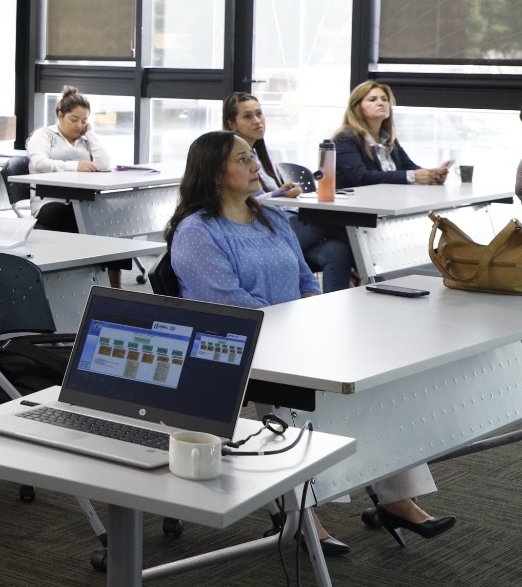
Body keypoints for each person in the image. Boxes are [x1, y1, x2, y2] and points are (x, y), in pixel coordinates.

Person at [168, 130, 454, 550]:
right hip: (233, 345)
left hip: (292, 335)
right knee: (297, 398)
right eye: (242, 160)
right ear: (213, 175)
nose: (255, 167)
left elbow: (306, 279)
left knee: (373, 384)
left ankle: (397, 500)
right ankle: (300, 516)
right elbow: (229, 305)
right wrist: (297, 326)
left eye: (253, 158)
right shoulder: (197, 231)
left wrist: (310, 317)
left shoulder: (268, 216)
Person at [223, 92, 355, 293]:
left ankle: (333, 313)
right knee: (336, 222)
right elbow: (239, 201)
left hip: (284, 222)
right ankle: (367, 273)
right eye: (248, 116)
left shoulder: (262, 155)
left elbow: (272, 197)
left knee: (337, 251)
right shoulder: (230, 159)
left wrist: (286, 192)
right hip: (260, 229)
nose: (257, 121)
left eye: (259, 114)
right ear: (232, 124)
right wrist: (277, 195)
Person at [26, 86, 114, 234]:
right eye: (74, 119)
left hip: (82, 201)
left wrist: (90, 134)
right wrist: (75, 166)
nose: (79, 125)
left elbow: (104, 164)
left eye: (84, 121)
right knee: (81, 218)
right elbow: (39, 163)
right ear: (60, 115)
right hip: (48, 202)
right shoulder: (45, 135)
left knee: (110, 215)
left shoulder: (85, 141)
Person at [334, 80, 449, 188]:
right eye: (372, 99)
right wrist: (413, 176)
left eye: (384, 99)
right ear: (357, 107)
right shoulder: (345, 139)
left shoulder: (388, 138)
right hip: (358, 205)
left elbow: (408, 166)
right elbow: (362, 176)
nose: (381, 103)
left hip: (388, 202)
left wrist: (431, 175)